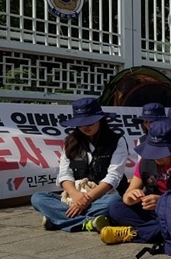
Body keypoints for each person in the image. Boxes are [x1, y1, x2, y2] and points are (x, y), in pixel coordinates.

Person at [31, 98, 128, 232]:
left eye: (90, 122)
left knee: (114, 202)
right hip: (75, 196)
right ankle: (87, 222)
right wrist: (75, 194)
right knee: (38, 198)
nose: (86, 126)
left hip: (103, 195)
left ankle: (58, 219)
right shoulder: (70, 142)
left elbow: (114, 177)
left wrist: (87, 199)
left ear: (100, 119)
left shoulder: (117, 141)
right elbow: (65, 174)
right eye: (81, 123)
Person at [103, 120, 171, 244]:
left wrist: (163, 202)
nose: (158, 157)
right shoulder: (145, 162)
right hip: (154, 212)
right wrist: (130, 197)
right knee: (116, 208)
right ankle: (158, 231)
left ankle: (134, 233)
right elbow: (128, 193)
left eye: (163, 152)